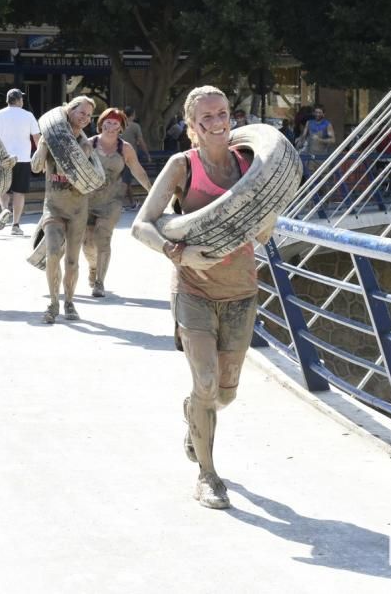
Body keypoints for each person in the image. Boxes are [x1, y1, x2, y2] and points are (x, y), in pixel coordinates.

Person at [131, 85, 274, 510]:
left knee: (223, 395)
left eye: (223, 113)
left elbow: (264, 233)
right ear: (192, 126)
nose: (217, 122)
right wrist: (178, 252)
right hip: (193, 289)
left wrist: (266, 216)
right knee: (207, 383)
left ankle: (194, 413)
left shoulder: (251, 164)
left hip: (242, 292)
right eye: (206, 117)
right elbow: (142, 225)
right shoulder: (183, 165)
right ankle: (208, 476)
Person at [30, 95, 96, 323]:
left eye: (89, 115)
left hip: (78, 209)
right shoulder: (51, 139)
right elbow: (36, 167)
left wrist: (84, 155)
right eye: (82, 113)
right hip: (54, 207)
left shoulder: (86, 145)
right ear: (69, 111)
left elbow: (88, 178)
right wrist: (42, 146)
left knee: (72, 261)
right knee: (52, 254)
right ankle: (53, 302)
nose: (85, 118)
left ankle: (69, 302)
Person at [83, 108, 152, 297]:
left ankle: (99, 283)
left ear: (121, 127)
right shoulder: (89, 144)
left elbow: (138, 171)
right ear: (101, 123)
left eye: (116, 123)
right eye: (108, 121)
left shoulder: (125, 148)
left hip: (111, 201)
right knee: (87, 243)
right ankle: (93, 267)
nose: (111, 126)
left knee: (102, 238)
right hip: (87, 200)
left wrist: (152, 192)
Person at [0, 88, 39, 235]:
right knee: (19, 192)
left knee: (2, 188)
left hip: (3, 158)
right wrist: (40, 158)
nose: (23, 101)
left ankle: (5, 209)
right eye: (21, 98)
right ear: (18, 100)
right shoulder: (28, 115)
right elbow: (37, 138)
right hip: (23, 158)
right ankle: (15, 224)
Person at [119, 106, 152, 210]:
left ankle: (132, 203)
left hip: (116, 156)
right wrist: (147, 154)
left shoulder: (118, 125)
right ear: (132, 115)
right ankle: (117, 205)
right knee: (125, 181)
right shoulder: (135, 126)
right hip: (129, 156)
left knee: (126, 181)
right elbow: (141, 141)